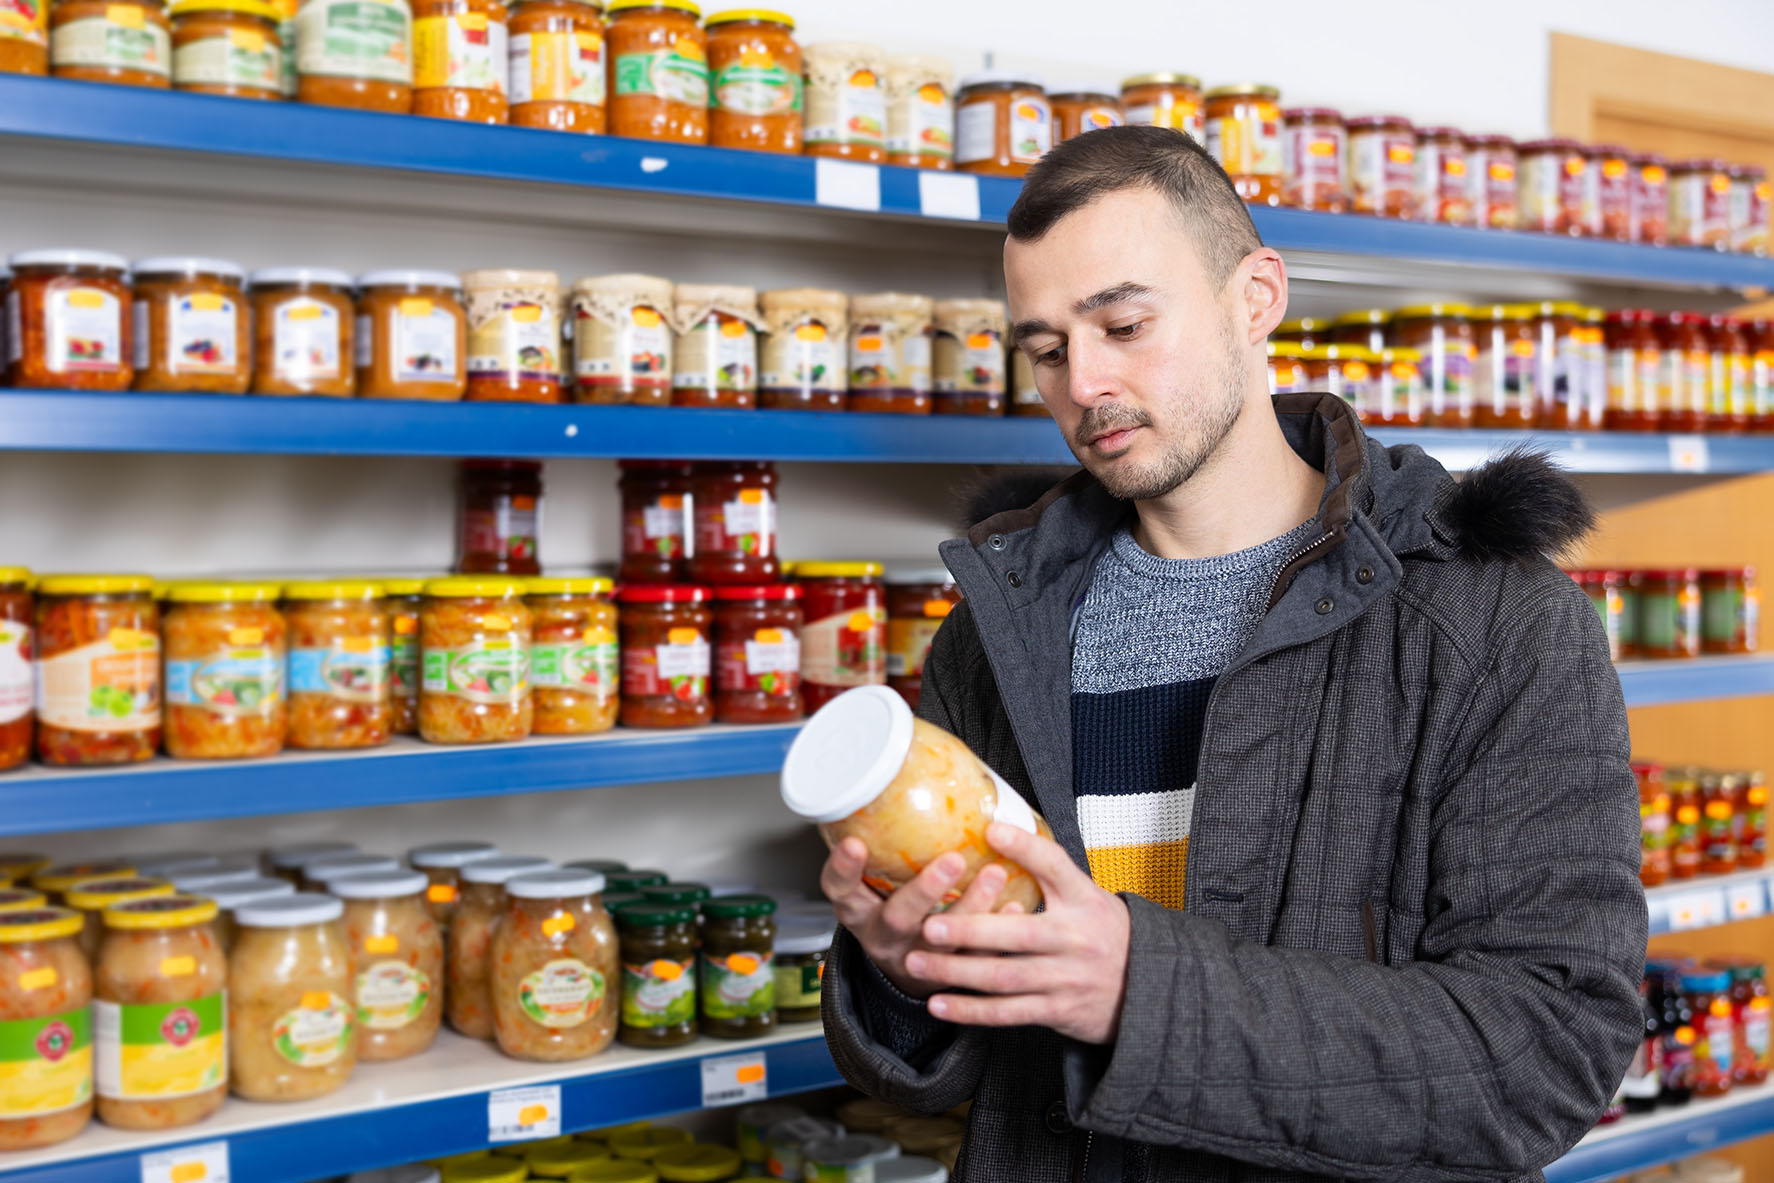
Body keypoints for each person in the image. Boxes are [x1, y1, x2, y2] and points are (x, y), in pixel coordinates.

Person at [817, 124, 1646, 1183]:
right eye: (1045, 348)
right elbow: (956, 1061)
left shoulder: (1490, 624)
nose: (1085, 383)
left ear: (1255, 298)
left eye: (1123, 322)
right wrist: (901, 975)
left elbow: (1544, 1051)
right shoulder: (998, 634)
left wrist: (1138, 989)